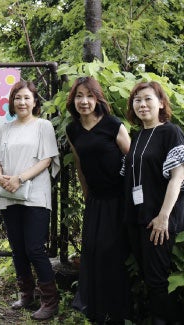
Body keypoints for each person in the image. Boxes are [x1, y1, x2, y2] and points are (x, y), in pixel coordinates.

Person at [64, 77, 132, 323]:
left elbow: (134, 162)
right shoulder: (72, 129)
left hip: (119, 199)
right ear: (74, 99)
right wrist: (86, 194)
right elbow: (81, 166)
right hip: (96, 200)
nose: (84, 101)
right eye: (80, 96)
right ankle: (95, 308)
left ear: (97, 98)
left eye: (89, 96)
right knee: (91, 251)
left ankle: (117, 312)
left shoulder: (113, 125)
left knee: (111, 252)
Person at [0, 80, 61, 320]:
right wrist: (1, 177)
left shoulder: (43, 126)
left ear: (35, 102)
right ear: (12, 102)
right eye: (17, 98)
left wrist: (19, 178)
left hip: (35, 195)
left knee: (34, 248)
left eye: (26, 98)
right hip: (9, 194)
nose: (21, 102)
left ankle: (50, 301)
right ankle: (26, 294)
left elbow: (47, 160)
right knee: (18, 248)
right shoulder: (4, 129)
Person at [123, 81, 184, 324]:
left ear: (161, 103)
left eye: (148, 99)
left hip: (159, 219)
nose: (142, 104)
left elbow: (178, 177)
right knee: (148, 276)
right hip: (139, 217)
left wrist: (163, 217)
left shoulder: (171, 132)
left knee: (157, 279)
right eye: (137, 100)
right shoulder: (137, 136)